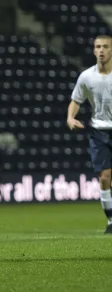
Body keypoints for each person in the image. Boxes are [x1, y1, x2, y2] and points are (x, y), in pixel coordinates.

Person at [68, 35, 112, 234]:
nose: (101, 50)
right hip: (98, 131)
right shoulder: (87, 76)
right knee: (104, 178)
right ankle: (111, 221)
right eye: (98, 47)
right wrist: (70, 118)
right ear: (94, 51)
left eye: (105, 46)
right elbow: (76, 100)